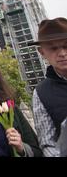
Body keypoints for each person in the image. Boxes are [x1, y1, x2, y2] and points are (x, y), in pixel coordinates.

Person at [30, 17, 67, 157]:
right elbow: (47, 142)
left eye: (66, 45)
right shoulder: (41, 93)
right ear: (42, 52)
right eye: (53, 48)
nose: (62, 53)